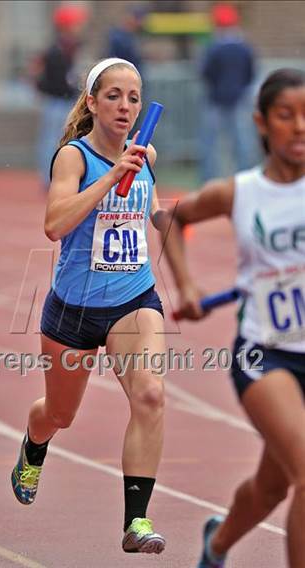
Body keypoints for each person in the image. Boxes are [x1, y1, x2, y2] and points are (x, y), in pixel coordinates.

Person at [11, 57, 171, 555]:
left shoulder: (141, 155)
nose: (125, 106)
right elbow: (54, 225)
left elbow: (155, 213)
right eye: (114, 96)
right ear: (92, 102)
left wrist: (186, 227)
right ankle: (34, 448)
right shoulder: (73, 158)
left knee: (150, 395)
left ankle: (137, 521)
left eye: (134, 97)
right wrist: (112, 177)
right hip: (74, 311)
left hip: (133, 298)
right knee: (60, 413)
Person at [162, 68, 305, 567]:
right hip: (265, 353)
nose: (301, 126)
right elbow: (171, 218)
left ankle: (216, 544)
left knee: (273, 489)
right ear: (261, 122)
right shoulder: (239, 192)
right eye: (287, 116)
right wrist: (189, 285)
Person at [199, 2, 257, 182]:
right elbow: (250, 72)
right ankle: (245, 178)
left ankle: (208, 180)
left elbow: (206, 72)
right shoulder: (244, 47)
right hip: (239, 99)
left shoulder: (214, 47)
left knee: (210, 144)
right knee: (242, 143)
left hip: (216, 100)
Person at [33, 4, 88, 189]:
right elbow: (53, 77)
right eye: (76, 23)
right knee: (51, 140)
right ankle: (48, 178)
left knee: (65, 139)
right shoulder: (57, 49)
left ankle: (61, 175)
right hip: (56, 100)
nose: (79, 27)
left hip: (66, 100)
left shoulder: (72, 47)